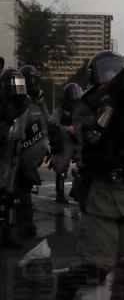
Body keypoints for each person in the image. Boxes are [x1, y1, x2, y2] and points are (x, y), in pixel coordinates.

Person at [56, 50, 124, 300]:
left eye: (118, 71)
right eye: (109, 72)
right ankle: (66, 288)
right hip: (101, 197)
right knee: (96, 270)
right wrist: (112, 100)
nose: (114, 76)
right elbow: (92, 135)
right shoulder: (86, 105)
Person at [16, 65, 50, 237]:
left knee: (24, 187)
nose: (32, 84)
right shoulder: (15, 100)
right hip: (16, 151)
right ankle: (23, 223)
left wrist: (48, 146)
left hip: (31, 153)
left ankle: (25, 223)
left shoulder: (39, 100)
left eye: (34, 80)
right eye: (30, 80)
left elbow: (47, 122)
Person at [0, 68, 29, 248]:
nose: (16, 89)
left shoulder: (25, 105)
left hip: (15, 156)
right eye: (12, 85)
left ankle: (8, 234)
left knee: (12, 198)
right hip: (2, 154)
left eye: (19, 84)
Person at [48, 83, 83, 204]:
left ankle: (77, 191)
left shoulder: (81, 108)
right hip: (65, 140)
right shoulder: (61, 109)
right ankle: (60, 193)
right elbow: (53, 122)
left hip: (78, 139)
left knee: (83, 167)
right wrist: (65, 129)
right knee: (61, 169)